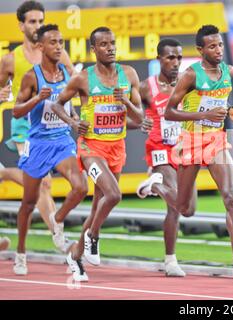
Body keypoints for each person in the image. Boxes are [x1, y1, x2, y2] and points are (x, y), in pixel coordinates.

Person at [51, 26, 143, 271]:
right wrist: (73, 122)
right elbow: (57, 105)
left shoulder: (129, 74)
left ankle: (75, 255)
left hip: (117, 147)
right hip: (91, 148)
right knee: (113, 195)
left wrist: (124, 101)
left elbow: (139, 115)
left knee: (98, 206)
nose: (110, 47)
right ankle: (93, 236)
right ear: (94, 50)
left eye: (112, 43)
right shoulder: (83, 78)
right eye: (103, 44)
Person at [164, 24, 233, 277]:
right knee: (184, 209)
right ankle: (157, 185)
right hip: (191, 140)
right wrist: (203, 114)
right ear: (200, 50)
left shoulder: (229, 71)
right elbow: (170, 111)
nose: (219, 50)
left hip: (215, 140)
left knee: (231, 197)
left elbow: (224, 104)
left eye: (220, 44)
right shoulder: (190, 75)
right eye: (212, 46)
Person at [12, 24, 88, 279]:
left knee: (80, 187)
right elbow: (16, 111)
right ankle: (21, 253)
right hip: (38, 144)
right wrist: (37, 99)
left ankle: (57, 220)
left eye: (61, 42)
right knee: (29, 203)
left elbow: (68, 106)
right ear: (41, 46)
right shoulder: (32, 76)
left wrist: (74, 118)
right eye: (53, 42)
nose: (58, 47)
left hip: (62, 141)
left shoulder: (68, 75)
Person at [0, 1, 74, 252]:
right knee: (43, 183)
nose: (37, 26)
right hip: (25, 128)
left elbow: (75, 82)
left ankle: (5, 173)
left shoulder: (59, 54)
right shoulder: (11, 60)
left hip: (55, 128)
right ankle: (58, 235)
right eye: (32, 21)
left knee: (45, 184)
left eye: (40, 21)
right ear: (21, 25)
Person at [135, 38, 186, 276]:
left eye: (178, 57)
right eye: (170, 58)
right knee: (175, 200)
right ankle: (171, 260)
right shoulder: (147, 87)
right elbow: (128, 114)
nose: (175, 62)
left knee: (181, 208)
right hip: (159, 148)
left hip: (183, 150)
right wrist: (140, 121)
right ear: (159, 59)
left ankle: (169, 260)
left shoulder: (188, 84)